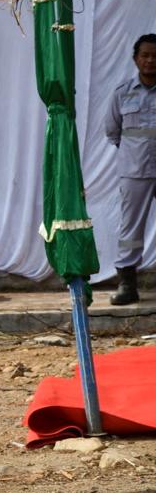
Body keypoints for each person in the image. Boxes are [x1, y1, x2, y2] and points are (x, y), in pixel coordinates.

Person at [105, 34, 156, 305]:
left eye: (154, 56)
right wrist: (133, 153)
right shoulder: (122, 92)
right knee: (130, 231)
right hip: (135, 171)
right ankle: (127, 284)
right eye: (145, 55)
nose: (150, 60)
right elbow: (113, 132)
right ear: (136, 59)